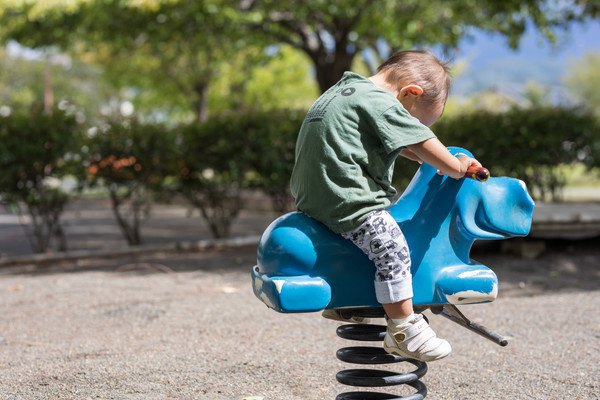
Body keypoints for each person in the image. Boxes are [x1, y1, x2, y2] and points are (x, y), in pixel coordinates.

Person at [290, 49, 481, 362]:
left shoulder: (347, 91)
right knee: (392, 247)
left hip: (315, 199)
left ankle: (347, 298)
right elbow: (420, 142)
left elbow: (401, 142)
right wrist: (456, 166)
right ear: (410, 93)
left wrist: (430, 157)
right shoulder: (381, 102)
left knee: (362, 246)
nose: (414, 126)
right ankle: (404, 329)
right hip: (348, 198)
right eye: (417, 120)